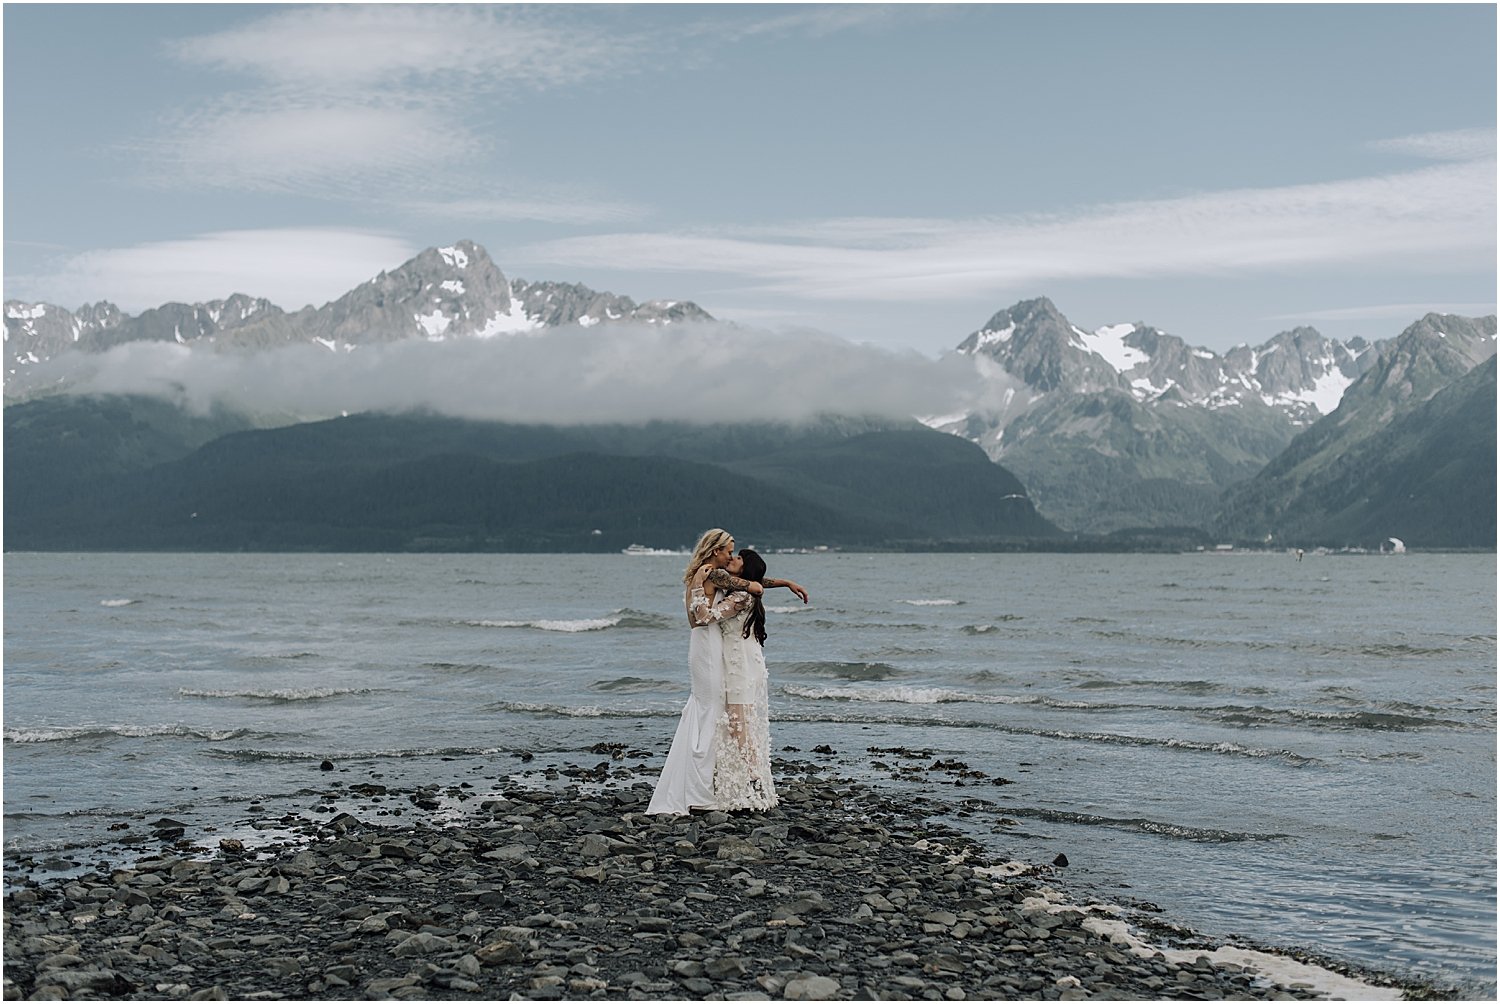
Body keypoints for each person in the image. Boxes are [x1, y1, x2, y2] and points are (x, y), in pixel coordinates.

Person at [647, 529, 806, 815]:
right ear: (715, 550)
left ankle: (706, 783)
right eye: (729, 551)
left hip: (719, 647)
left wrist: (783, 583)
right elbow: (703, 616)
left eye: (735, 554)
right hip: (708, 644)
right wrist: (749, 588)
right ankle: (700, 789)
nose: (732, 556)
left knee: (713, 712)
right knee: (710, 711)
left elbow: (749, 583)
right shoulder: (709, 574)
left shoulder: (715, 574)